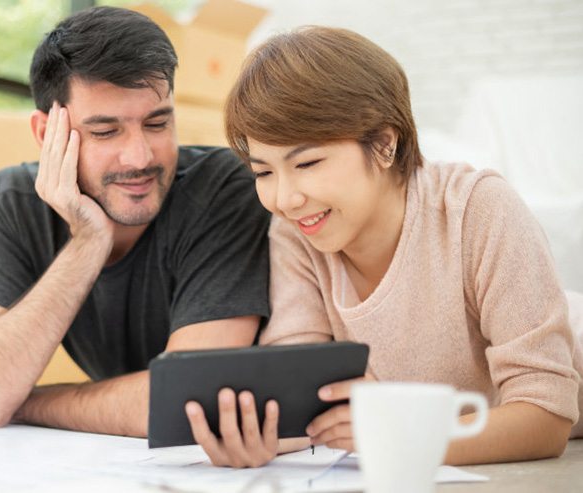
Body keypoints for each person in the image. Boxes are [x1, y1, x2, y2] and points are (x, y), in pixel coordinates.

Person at [185, 26, 583, 468]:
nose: (284, 199)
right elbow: (302, 395)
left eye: (308, 163)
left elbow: (547, 418)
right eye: (263, 173)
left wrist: (401, 436)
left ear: (384, 144)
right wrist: (264, 436)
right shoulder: (297, 232)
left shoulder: (477, 209)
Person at [0, 6, 277, 439]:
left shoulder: (223, 189)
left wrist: (28, 402)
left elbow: (187, 398)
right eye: (105, 132)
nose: (140, 158)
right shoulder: (11, 200)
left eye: (158, 122)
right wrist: (88, 241)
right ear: (48, 134)